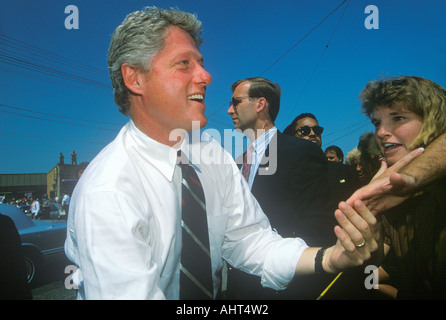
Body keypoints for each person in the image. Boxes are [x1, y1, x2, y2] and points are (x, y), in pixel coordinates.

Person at [65, 6, 378, 300]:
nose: (206, 75)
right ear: (135, 78)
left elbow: (253, 243)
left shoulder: (211, 156)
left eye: (200, 62)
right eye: (184, 63)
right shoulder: (108, 190)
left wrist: (330, 257)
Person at [226, 77, 341, 299]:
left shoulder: (299, 152)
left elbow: (316, 224)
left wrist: (277, 258)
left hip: (279, 288)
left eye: (236, 102)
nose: (230, 110)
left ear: (260, 105)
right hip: (238, 288)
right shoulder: (238, 163)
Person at [355, 75, 446, 299]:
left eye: (398, 117)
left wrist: (412, 177)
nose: (381, 132)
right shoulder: (385, 195)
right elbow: (373, 268)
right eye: (377, 122)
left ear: (433, 120)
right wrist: (370, 234)